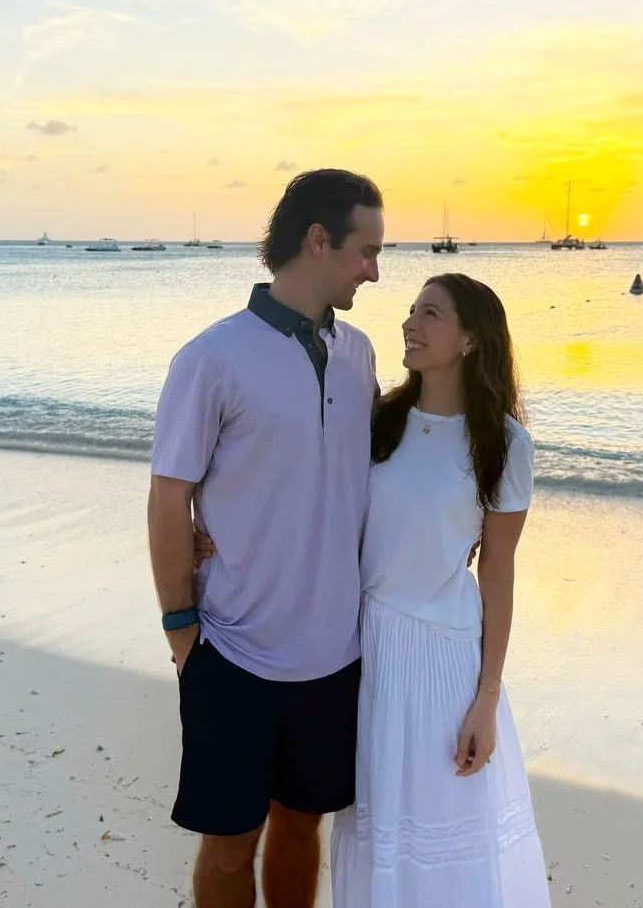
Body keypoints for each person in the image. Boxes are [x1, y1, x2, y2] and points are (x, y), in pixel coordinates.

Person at [199, 272, 551, 906]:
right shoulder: (378, 420)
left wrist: (486, 700)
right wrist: (221, 531)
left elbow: (497, 572)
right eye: (412, 310)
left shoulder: (505, 444)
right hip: (360, 651)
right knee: (371, 827)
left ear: (471, 339)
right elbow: (309, 495)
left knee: (442, 828)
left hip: (443, 661)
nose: (410, 323)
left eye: (431, 314)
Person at [147, 169, 384, 908]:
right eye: (366, 250)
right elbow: (166, 497)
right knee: (227, 846)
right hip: (234, 651)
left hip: (334, 657)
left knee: (300, 828)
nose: (375, 270)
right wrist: (182, 628)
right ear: (319, 241)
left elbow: (377, 471)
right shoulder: (213, 357)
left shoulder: (360, 355)